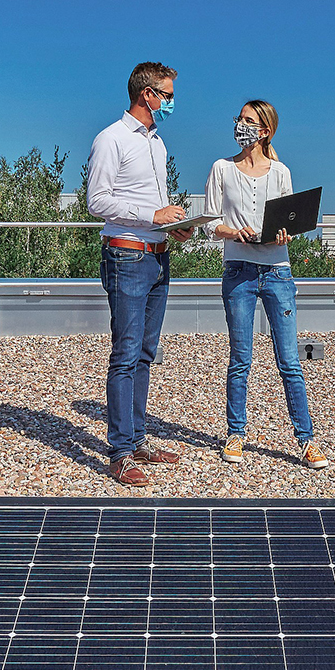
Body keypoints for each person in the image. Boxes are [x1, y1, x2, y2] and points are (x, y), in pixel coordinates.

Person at [204, 100, 330, 470]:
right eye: (238, 119)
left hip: (277, 272)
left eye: (248, 120)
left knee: (289, 361)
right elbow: (210, 223)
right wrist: (232, 231)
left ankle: (306, 440)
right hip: (238, 270)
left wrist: (282, 236)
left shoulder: (281, 172)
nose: (240, 125)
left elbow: (288, 221)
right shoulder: (221, 169)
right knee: (240, 359)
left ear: (265, 131)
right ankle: (236, 433)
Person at [86, 62, 194, 487]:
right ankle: (120, 453)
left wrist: (174, 225)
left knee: (146, 354)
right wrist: (151, 214)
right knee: (126, 354)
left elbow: (156, 207)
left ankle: (138, 438)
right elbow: (97, 201)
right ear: (147, 94)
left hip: (158, 255)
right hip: (127, 257)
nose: (171, 102)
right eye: (167, 95)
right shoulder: (110, 139)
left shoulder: (157, 144)